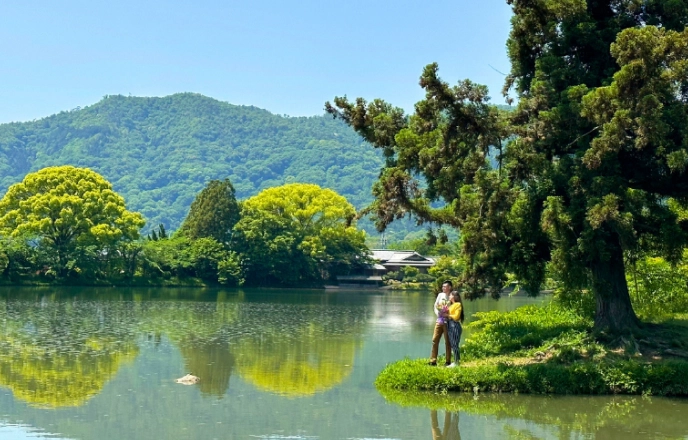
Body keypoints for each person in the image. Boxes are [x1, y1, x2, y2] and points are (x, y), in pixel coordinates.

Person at [429, 280, 453, 366]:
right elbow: (435, 306)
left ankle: (448, 361)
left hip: (448, 322)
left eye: (445, 287)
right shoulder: (440, 295)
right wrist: (438, 313)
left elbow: (455, 308)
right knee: (435, 340)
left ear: (449, 287)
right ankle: (433, 361)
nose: (443, 288)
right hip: (439, 321)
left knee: (448, 342)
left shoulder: (452, 296)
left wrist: (448, 314)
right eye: (442, 287)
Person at [445, 290, 464, 368]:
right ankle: (455, 361)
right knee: (453, 344)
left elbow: (456, 317)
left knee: (455, 344)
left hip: (454, 325)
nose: (449, 296)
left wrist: (448, 315)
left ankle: (457, 362)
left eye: (450, 295)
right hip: (450, 325)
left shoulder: (458, 304)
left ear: (454, 296)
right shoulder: (451, 305)